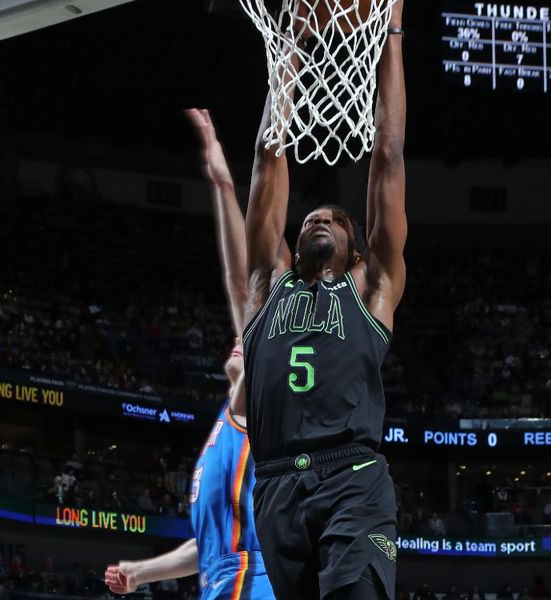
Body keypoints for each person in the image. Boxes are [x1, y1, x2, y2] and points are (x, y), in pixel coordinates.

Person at [241, 1, 407, 598]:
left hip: (352, 478)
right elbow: (267, 156)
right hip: (276, 486)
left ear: (357, 254)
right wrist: (286, 53)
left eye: (336, 219)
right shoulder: (268, 285)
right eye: (312, 215)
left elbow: (387, 157)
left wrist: (389, 30)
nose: (319, 217)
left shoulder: (370, 288)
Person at [104, 109, 274, 600]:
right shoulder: (226, 424)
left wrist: (223, 187)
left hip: (251, 582)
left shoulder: (251, 406)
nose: (239, 339)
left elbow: (239, 285)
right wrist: (140, 572)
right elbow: (208, 545)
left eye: (247, 337)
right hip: (225, 580)